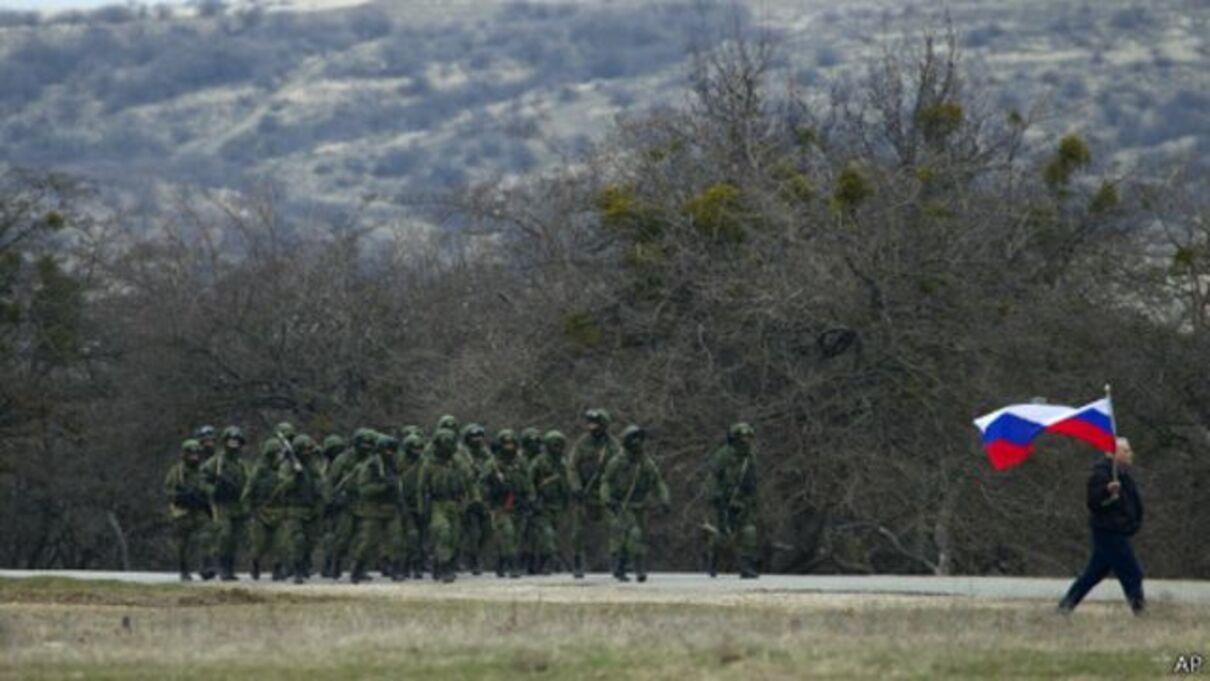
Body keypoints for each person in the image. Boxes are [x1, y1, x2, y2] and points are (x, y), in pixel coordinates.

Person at [1058, 437, 1146, 615]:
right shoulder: (1101, 474)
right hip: (1109, 532)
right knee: (1133, 572)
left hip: (1119, 531)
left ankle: (1065, 607)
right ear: (1113, 453)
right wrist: (1107, 492)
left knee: (1093, 574)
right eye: (1126, 451)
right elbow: (1093, 502)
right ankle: (1140, 611)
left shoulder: (1123, 474)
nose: (1130, 454)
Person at [600, 425, 670, 583]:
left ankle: (623, 567)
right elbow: (605, 481)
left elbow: (657, 482)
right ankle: (635, 568)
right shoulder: (617, 462)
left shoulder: (646, 463)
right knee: (632, 535)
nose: (637, 443)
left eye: (639, 439)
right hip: (621, 505)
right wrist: (607, 499)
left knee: (637, 537)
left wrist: (664, 499)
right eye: (633, 439)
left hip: (640, 506)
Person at [568, 408, 621, 578]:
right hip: (584, 492)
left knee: (615, 526)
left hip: (605, 493)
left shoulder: (613, 445)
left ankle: (617, 562)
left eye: (596, 423)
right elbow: (572, 467)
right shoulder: (582, 443)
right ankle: (577, 562)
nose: (592, 427)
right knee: (578, 530)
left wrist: (616, 493)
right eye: (590, 423)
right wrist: (576, 487)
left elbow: (620, 469)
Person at [704, 422, 760, 579]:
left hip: (741, 502)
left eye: (749, 437)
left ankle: (746, 567)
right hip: (723, 500)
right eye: (742, 437)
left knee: (749, 532)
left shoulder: (749, 458)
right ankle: (712, 561)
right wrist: (714, 495)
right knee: (722, 535)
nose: (746, 441)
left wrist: (752, 500)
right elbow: (713, 476)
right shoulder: (724, 455)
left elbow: (753, 481)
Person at [322, 428, 375, 579]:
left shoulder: (373, 459)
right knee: (343, 537)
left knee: (365, 537)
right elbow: (330, 481)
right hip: (346, 503)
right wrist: (330, 500)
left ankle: (360, 568)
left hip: (366, 502)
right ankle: (336, 563)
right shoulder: (343, 459)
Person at [419, 428, 470, 583]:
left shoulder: (458, 462)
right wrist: (422, 508)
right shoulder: (429, 464)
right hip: (437, 503)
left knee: (454, 537)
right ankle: (444, 566)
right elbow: (421, 488)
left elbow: (469, 481)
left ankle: (439, 562)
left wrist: (473, 501)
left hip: (455, 502)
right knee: (443, 532)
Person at [199, 426, 249, 581]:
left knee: (235, 538)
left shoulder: (242, 464)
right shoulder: (217, 462)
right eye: (230, 441)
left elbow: (248, 483)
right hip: (222, 504)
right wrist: (213, 490)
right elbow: (202, 479)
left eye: (236, 441)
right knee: (224, 535)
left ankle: (229, 568)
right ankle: (220, 567)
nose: (234, 444)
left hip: (238, 504)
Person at [349, 434, 400, 583]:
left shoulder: (393, 464)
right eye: (388, 450)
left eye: (393, 451)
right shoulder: (371, 465)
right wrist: (383, 487)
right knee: (368, 542)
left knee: (396, 540)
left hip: (391, 508)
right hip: (373, 509)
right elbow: (363, 489)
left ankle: (395, 569)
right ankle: (357, 569)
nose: (391, 453)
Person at [484, 429, 534, 578]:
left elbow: (529, 481)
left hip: (518, 503)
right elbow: (482, 484)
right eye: (506, 444)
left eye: (512, 444)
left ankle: (502, 559)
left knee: (517, 536)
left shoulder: (521, 462)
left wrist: (530, 498)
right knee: (507, 533)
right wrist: (494, 488)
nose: (509, 447)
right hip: (500, 505)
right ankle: (513, 565)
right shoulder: (492, 464)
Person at [164, 439, 213, 581]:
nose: (194, 457)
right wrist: (182, 496)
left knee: (206, 536)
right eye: (191, 454)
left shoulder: (203, 471)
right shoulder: (177, 472)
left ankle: (206, 566)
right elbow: (168, 491)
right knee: (183, 543)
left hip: (199, 510)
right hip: (182, 512)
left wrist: (205, 497)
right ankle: (184, 569)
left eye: (197, 454)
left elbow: (209, 487)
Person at [276, 434, 322, 584]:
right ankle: (297, 570)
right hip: (293, 509)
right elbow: (283, 487)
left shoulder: (312, 465)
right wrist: (296, 476)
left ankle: (304, 565)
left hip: (311, 508)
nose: (309, 453)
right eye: (306, 450)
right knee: (298, 540)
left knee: (310, 541)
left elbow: (320, 482)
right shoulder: (287, 466)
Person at [529, 430, 574, 575]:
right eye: (555, 444)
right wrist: (533, 499)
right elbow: (529, 481)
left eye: (560, 445)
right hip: (542, 504)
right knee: (547, 534)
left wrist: (568, 499)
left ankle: (541, 563)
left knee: (552, 536)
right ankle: (548, 562)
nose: (558, 448)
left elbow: (567, 482)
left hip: (558, 505)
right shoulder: (539, 461)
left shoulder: (563, 462)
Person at [242, 438, 285, 581]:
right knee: (259, 544)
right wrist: (248, 509)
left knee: (280, 544)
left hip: (279, 511)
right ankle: (255, 564)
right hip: (261, 511)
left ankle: (278, 568)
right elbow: (248, 490)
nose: (278, 457)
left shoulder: (284, 470)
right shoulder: (259, 470)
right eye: (275, 454)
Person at [458, 424, 493, 575]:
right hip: (468, 497)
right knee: (473, 531)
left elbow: (491, 468)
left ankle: (473, 555)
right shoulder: (462, 453)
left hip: (485, 497)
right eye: (473, 437)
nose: (477, 440)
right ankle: (471, 558)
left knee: (487, 530)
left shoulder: (485, 453)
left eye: (479, 437)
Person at [396, 433, 428, 579]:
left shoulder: (424, 463)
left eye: (419, 448)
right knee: (410, 536)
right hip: (404, 503)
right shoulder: (399, 462)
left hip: (421, 502)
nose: (417, 451)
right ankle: (404, 566)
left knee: (423, 536)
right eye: (414, 448)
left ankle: (418, 565)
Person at [518, 427, 545, 573]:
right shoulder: (519, 457)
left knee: (539, 532)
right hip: (520, 498)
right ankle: (522, 561)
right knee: (522, 532)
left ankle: (538, 562)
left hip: (541, 498)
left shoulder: (543, 458)